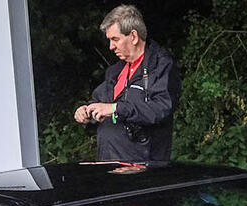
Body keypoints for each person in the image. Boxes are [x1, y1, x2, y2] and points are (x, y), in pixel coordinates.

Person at [74, 4, 181, 163]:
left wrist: (116, 108)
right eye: (110, 40)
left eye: (115, 39)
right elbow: (99, 101)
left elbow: (161, 108)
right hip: (108, 163)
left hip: (142, 168)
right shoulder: (115, 71)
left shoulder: (160, 65)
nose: (111, 47)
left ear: (133, 36)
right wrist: (86, 110)